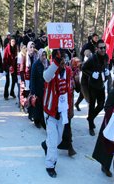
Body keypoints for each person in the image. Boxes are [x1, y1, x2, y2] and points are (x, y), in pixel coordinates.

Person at [41, 49, 73, 178]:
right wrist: (55, 63)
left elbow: (69, 91)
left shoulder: (68, 72)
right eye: (60, 59)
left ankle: (45, 144)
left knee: (58, 139)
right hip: (50, 112)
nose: (62, 62)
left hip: (62, 111)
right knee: (54, 142)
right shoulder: (51, 72)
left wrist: (70, 109)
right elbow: (46, 76)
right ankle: (50, 165)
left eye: (64, 59)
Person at [82, 39, 109, 136]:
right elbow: (83, 68)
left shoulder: (106, 57)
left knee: (101, 105)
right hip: (92, 86)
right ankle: (90, 126)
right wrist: (91, 74)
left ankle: (90, 118)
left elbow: (106, 66)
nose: (103, 50)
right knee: (92, 105)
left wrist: (107, 72)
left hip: (101, 85)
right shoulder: (92, 58)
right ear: (97, 49)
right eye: (101, 48)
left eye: (104, 47)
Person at [30, 49, 49, 128]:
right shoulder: (36, 64)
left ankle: (42, 120)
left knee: (43, 105)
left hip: (45, 87)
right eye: (42, 55)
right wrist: (33, 90)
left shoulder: (47, 63)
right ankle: (36, 120)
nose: (44, 57)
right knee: (37, 105)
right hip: (38, 87)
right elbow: (33, 77)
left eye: (45, 55)